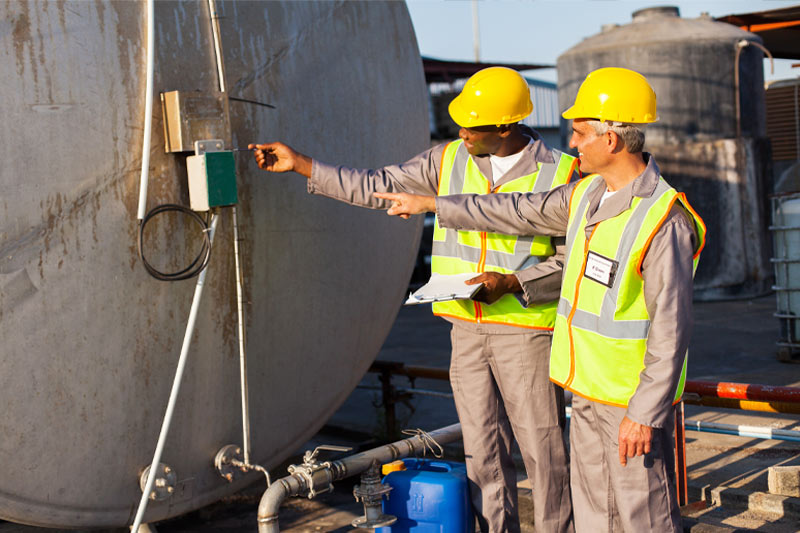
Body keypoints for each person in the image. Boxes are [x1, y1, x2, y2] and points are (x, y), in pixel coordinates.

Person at [375, 67, 707, 533]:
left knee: (641, 515)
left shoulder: (663, 219)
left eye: (581, 133)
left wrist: (646, 412)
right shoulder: (587, 195)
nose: (573, 143)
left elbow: (672, 329)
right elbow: (513, 209)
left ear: (611, 139)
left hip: (630, 404)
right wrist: (433, 204)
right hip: (585, 390)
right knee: (593, 514)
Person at [249, 66, 576, 533]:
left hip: (524, 334)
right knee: (482, 452)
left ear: (505, 127)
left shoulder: (563, 172)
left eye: (472, 125)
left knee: (544, 454)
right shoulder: (446, 160)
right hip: (464, 327)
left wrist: (514, 283)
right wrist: (301, 164)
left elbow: (571, 261)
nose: (460, 131)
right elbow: (375, 185)